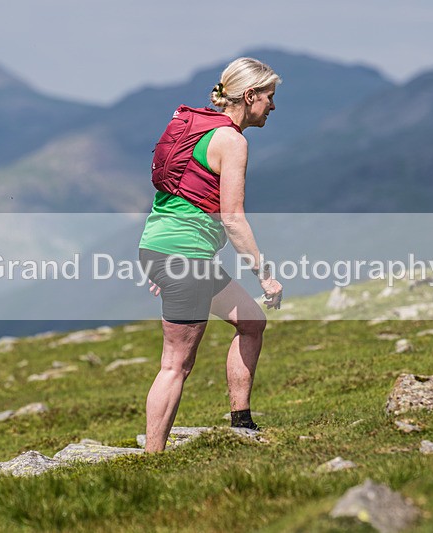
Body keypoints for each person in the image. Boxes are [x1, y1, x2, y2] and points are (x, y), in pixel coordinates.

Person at [138, 57, 283, 452]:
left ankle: (241, 422)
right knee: (176, 364)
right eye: (269, 97)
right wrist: (265, 275)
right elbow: (233, 218)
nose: (272, 106)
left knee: (251, 321)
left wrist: (160, 262)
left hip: (166, 248)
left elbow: (175, 191)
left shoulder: (194, 124)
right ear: (250, 96)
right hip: (184, 255)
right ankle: (153, 460)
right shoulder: (232, 141)